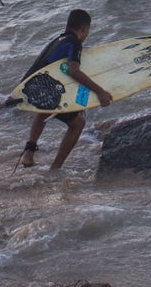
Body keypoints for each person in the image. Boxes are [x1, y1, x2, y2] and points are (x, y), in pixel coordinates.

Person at [20, 9, 112, 170]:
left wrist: (77, 103)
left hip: (29, 88)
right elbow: (73, 71)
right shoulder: (74, 43)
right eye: (87, 31)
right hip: (43, 89)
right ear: (84, 29)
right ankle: (56, 168)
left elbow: (60, 75)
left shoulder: (57, 40)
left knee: (44, 111)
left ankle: (28, 154)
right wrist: (100, 92)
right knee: (78, 123)